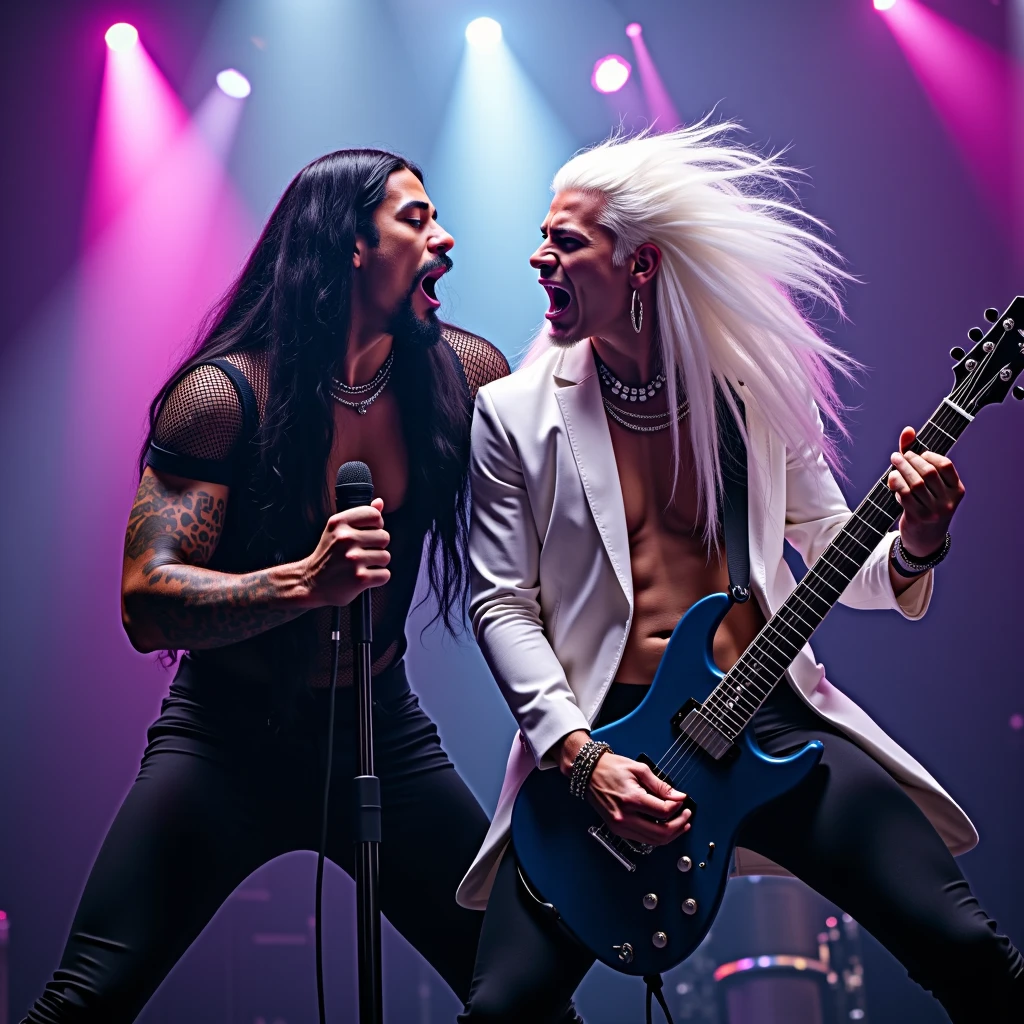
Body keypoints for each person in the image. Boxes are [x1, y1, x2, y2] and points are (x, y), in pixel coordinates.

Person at [456, 124, 1024, 1023]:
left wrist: (919, 536)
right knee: (503, 1008)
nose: (538, 259)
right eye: (541, 236)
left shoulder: (749, 393)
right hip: (604, 744)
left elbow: (847, 551)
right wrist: (578, 755)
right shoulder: (511, 415)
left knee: (967, 949)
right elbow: (499, 603)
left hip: (772, 721)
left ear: (639, 266)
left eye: (565, 240)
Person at [23, 149, 510, 1022]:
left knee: (520, 990)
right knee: (85, 1002)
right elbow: (146, 600)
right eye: (415, 219)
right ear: (349, 245)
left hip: (379, 730)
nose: (444, 240)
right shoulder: (222, 397)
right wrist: (301, 584)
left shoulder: (466, 378)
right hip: (224, 739)